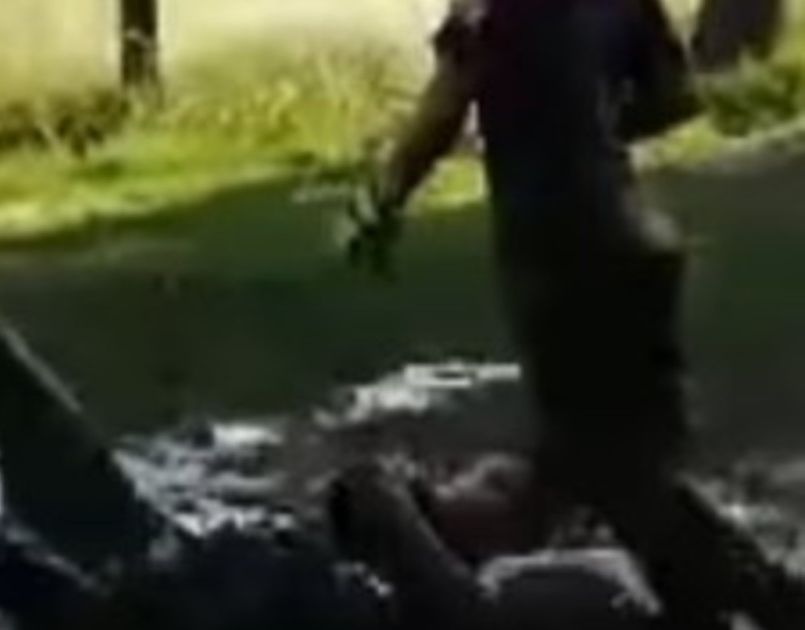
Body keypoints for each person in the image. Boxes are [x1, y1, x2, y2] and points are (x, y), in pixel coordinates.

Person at [0, 302, 662, 630]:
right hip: (154, 562)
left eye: (493, 486)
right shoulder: (395, 574)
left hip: (149, 588)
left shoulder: (440, 603)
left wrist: (385, 502)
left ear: (517, 539)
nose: (466, 477)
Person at [345, 0, 805, 627]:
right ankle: (730, 602)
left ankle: (774, 600)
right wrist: (588, 122)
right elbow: (674, 99)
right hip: (636, 247)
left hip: (560, 256)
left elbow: (450, 98)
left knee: (615, 480)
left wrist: (384, 198)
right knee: (608, 471)